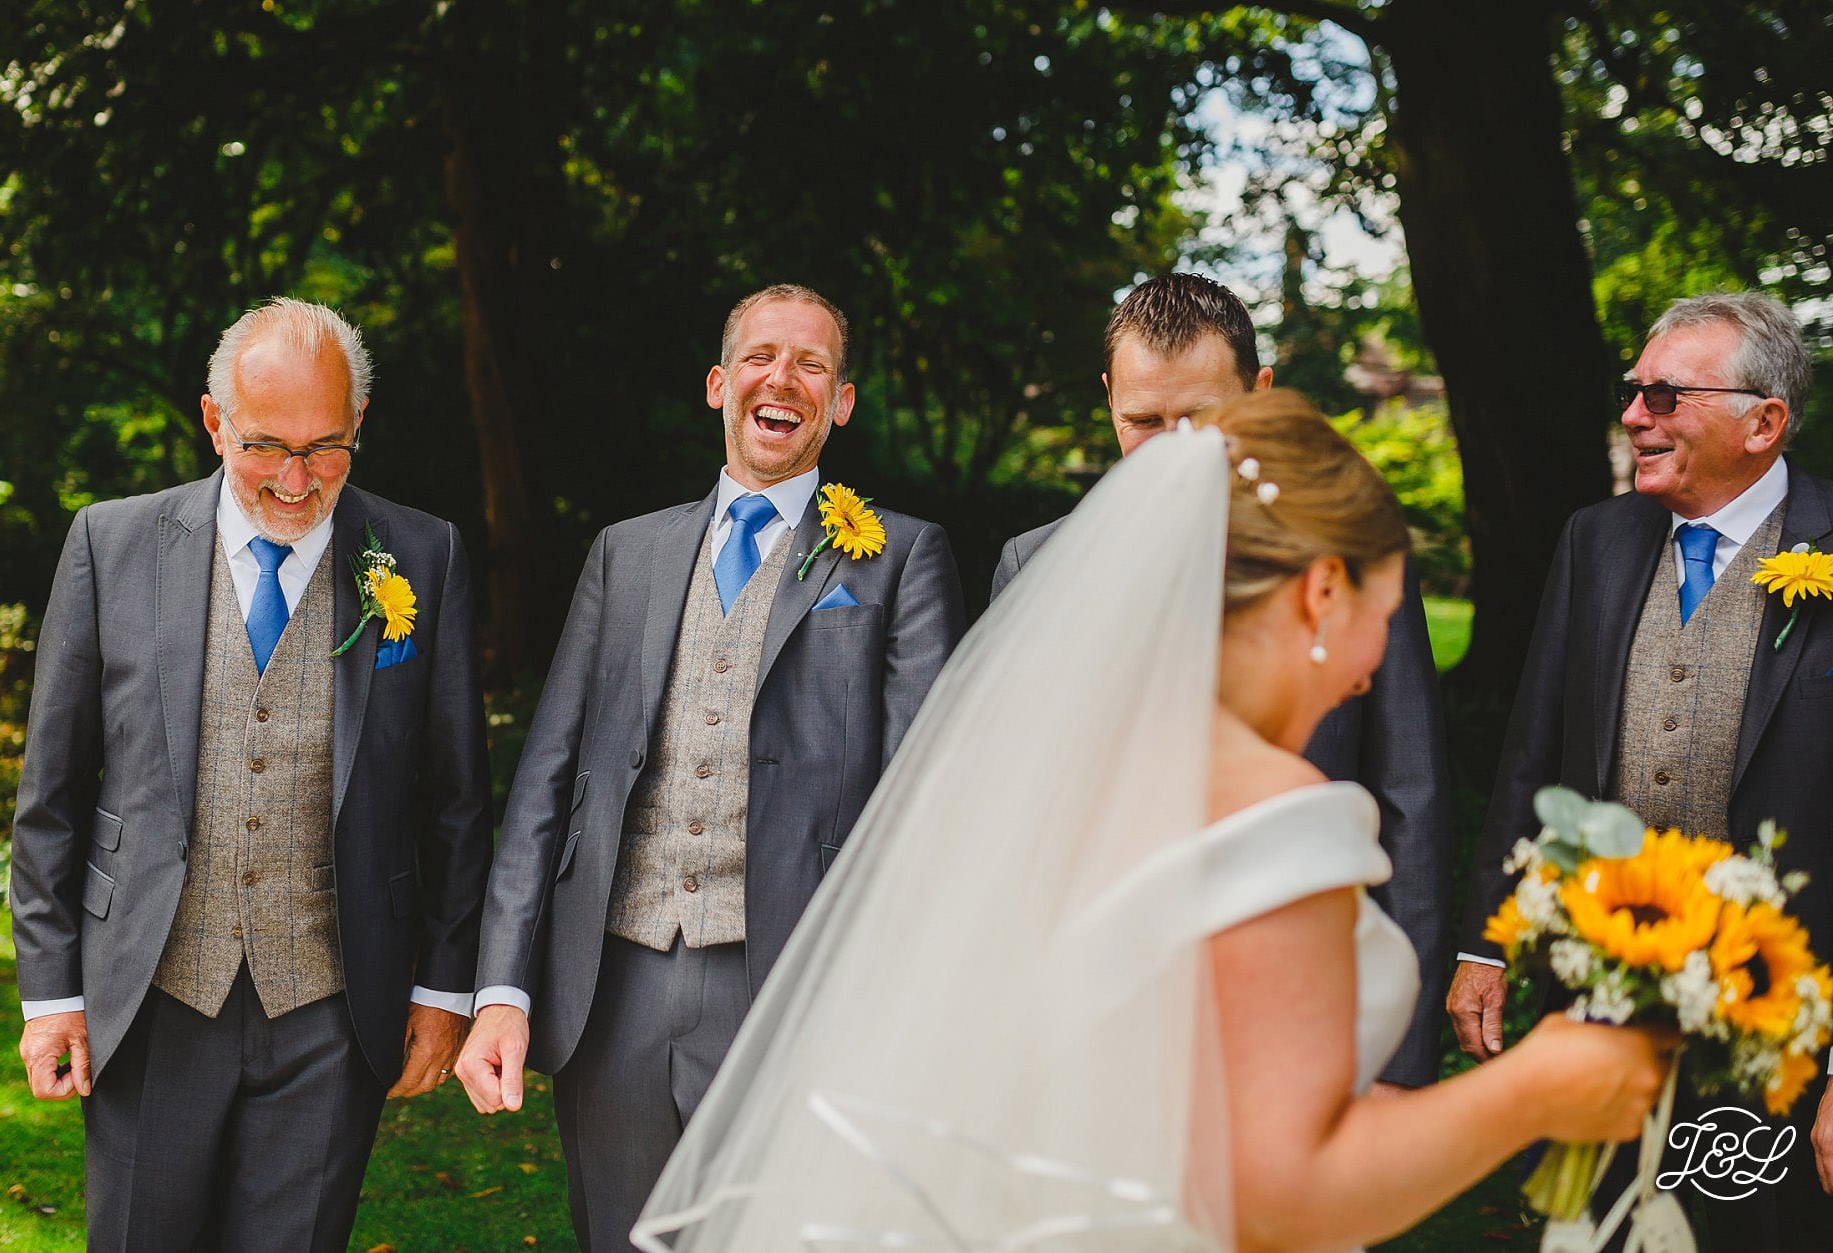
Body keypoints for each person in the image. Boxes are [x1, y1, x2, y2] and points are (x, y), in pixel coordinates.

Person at [631, 390, 1670, 1252]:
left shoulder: (1068, 773)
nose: (1371, 666)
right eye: (1382, 614)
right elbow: (1281, 1193)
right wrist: (1535, 1088)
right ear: (1320, 592)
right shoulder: (1275, 808)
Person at [455, 283, 966, 1252]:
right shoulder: (625, 553)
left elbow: (923, 798)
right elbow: (549, 783)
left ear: (841, 402)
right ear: (718, 384)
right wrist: (503, 991)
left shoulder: (898, 556)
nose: (783, 378)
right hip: (613, 987)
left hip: (791, 985)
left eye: (811, 363)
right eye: (761, 356)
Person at [10, 297, 492, 1248]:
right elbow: (50, 797)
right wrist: (52, 997)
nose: (295, 479)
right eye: (266, 445)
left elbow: (456, 801)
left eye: (326, 448)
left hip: (332, 1009)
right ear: (214, 420)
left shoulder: (422, 555)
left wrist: (443, 991)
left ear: (358, 424)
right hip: (152, 999)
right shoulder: (112, 544)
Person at [993, 272, 1452, 1088]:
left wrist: (1397, 1056)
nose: (1173, 450)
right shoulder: (1034, 567)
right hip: (1098, 1031)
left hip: (1304, 1009)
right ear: (1109, 400)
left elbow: (1411, 798)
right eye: (1144, 421)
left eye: (1201, 418)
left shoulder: (1350, 557)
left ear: (1261, 394)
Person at [1452, 291, 1831, 1245]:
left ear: (1764, 422)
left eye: (1664, 396)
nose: (1633, 416)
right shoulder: (1597, 539)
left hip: (1785, 1030)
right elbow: (1532, 756)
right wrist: (1486, 944)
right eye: (1632, 391)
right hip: (1602, 1003)